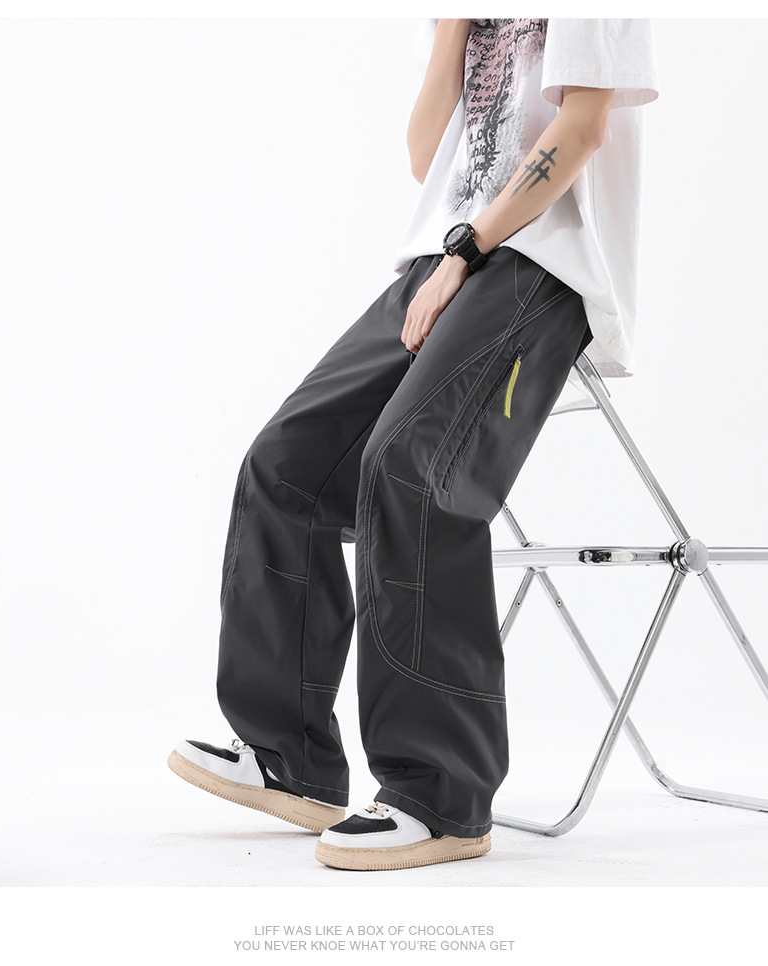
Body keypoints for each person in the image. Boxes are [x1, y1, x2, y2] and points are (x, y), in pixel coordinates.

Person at [168, 17, 659, 872]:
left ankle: (441, 794)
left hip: (541, 265)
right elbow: (426, 154)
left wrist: (470, 249)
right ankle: (286, 753)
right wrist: (453, 25)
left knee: (411, 471)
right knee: (285, 465)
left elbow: (582, 130)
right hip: (441, 259)